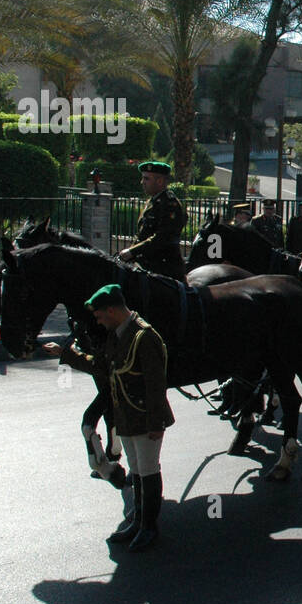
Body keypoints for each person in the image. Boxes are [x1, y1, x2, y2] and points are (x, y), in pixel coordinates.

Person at [43, 284, 174, 551]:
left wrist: (156, 423)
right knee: (136, 470)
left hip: (143, 417)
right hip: (125, 415)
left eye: (100, 315)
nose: (98, 321)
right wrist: (67, 354)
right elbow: (102, 366)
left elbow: (156, 384)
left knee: (148, 470)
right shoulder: (117, 334)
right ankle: (138, 521)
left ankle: (149, 527)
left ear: (112, 310)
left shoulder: (143, 336)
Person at [119, 161, 187, 280]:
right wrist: (128, 253)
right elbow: (141, 235)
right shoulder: (152, 202)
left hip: (164, 268)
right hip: (146, 264)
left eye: (146, 179)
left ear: (160, 181)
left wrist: (132, 251)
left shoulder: (170, 204)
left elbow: (162, 237)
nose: (142, 182)